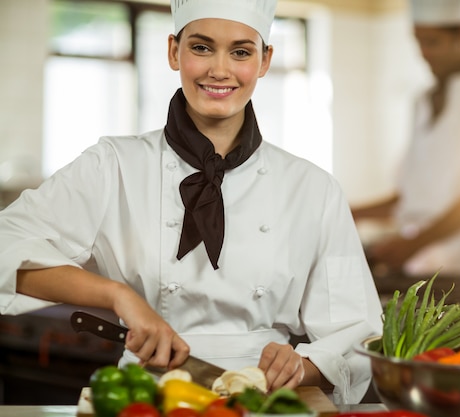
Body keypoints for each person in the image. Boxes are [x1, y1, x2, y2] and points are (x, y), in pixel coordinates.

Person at [0, 0, 382, 404]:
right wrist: (118, 297)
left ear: (265, 59)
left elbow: (357, 330)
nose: (220, 69)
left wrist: (300, 367)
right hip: (146, 396)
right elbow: (7, 247)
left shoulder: (313, 187)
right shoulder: (112, 165)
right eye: (201, 48)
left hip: (265, 399)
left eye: (241, 51)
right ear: (173, 51)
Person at [352, 0, 460, 277]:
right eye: (418, 41)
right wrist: (349, 213)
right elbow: (412, 196)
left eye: (433, 42)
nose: (423, 53)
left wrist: (414, 244)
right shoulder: (421, 101)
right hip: (418, 269)